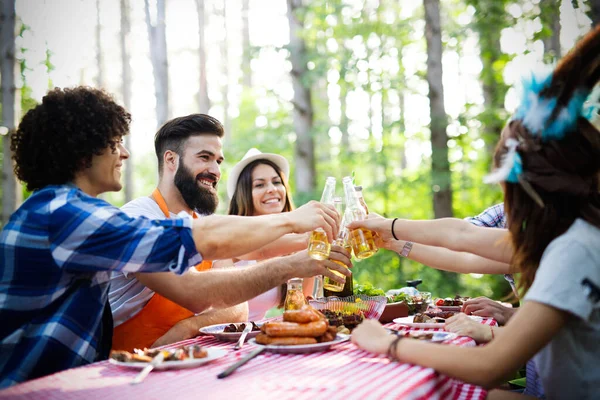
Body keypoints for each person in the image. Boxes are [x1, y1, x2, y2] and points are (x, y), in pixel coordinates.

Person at [0, 87, 349, 387]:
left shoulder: (68, 212)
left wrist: (321, 238)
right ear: (82, 150)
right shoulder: (66, 216)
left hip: (84, 379)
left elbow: (246, 244)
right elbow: (201, 262)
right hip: (35, 386)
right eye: (114, 142)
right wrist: (292, 225)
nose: (124, 153)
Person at [350, 26, 600, 399]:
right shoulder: (573, 236)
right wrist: (389, 230)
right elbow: (463, 236)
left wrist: (387, 343)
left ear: (527, 188)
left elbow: (490, 367)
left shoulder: (575, 250)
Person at [108, 114, 245, 351]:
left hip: (187, 360)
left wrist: (188, 328)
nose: (215, 170)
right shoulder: (139, 217)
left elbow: (237, 305)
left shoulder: (204, 221)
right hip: (129, 369)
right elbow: (195, 292)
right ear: (171, 159)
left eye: (218, 161)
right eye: (204, 157)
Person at [222, 148, 315, 320]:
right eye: (259, 184)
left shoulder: (296, 239)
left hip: (253, 337)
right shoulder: (232, 234)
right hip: (220, 335)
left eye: (276, 182)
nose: (272, 189)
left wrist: (315, 253)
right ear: (244, 194)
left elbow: (302, 306)